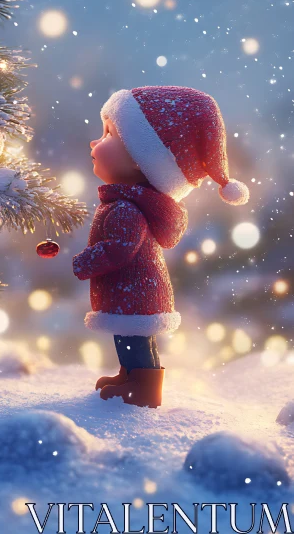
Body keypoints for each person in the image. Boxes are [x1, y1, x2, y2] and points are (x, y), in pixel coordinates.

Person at [72, 85, 250, 408]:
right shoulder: (125, 201)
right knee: (134, 341)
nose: (95, 143)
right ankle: (131, 377)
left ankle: (143, 388)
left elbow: (120, 248)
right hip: (136, 294)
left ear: (142, 161)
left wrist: (87, 261)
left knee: (134, 340)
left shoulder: (127, 208)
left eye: (109, 135)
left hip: (134, 294)